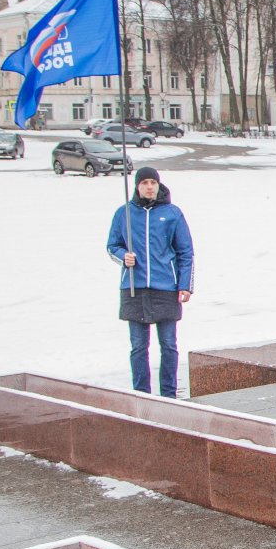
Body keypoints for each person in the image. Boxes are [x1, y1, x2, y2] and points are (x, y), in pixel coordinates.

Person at [106, 166, 194, 398]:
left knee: (168, 345)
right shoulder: (124, 213)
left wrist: (185, 285)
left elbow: (186, 252)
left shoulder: (172, 213)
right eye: (144, 182)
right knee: (138, 347)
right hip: (134, 288)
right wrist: (123, 257)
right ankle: (141, 394)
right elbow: (112, 246)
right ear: (137, 185)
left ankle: (169, 394)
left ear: (158, 185)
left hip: (165, 288)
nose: (149, 187)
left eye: (153, 183)